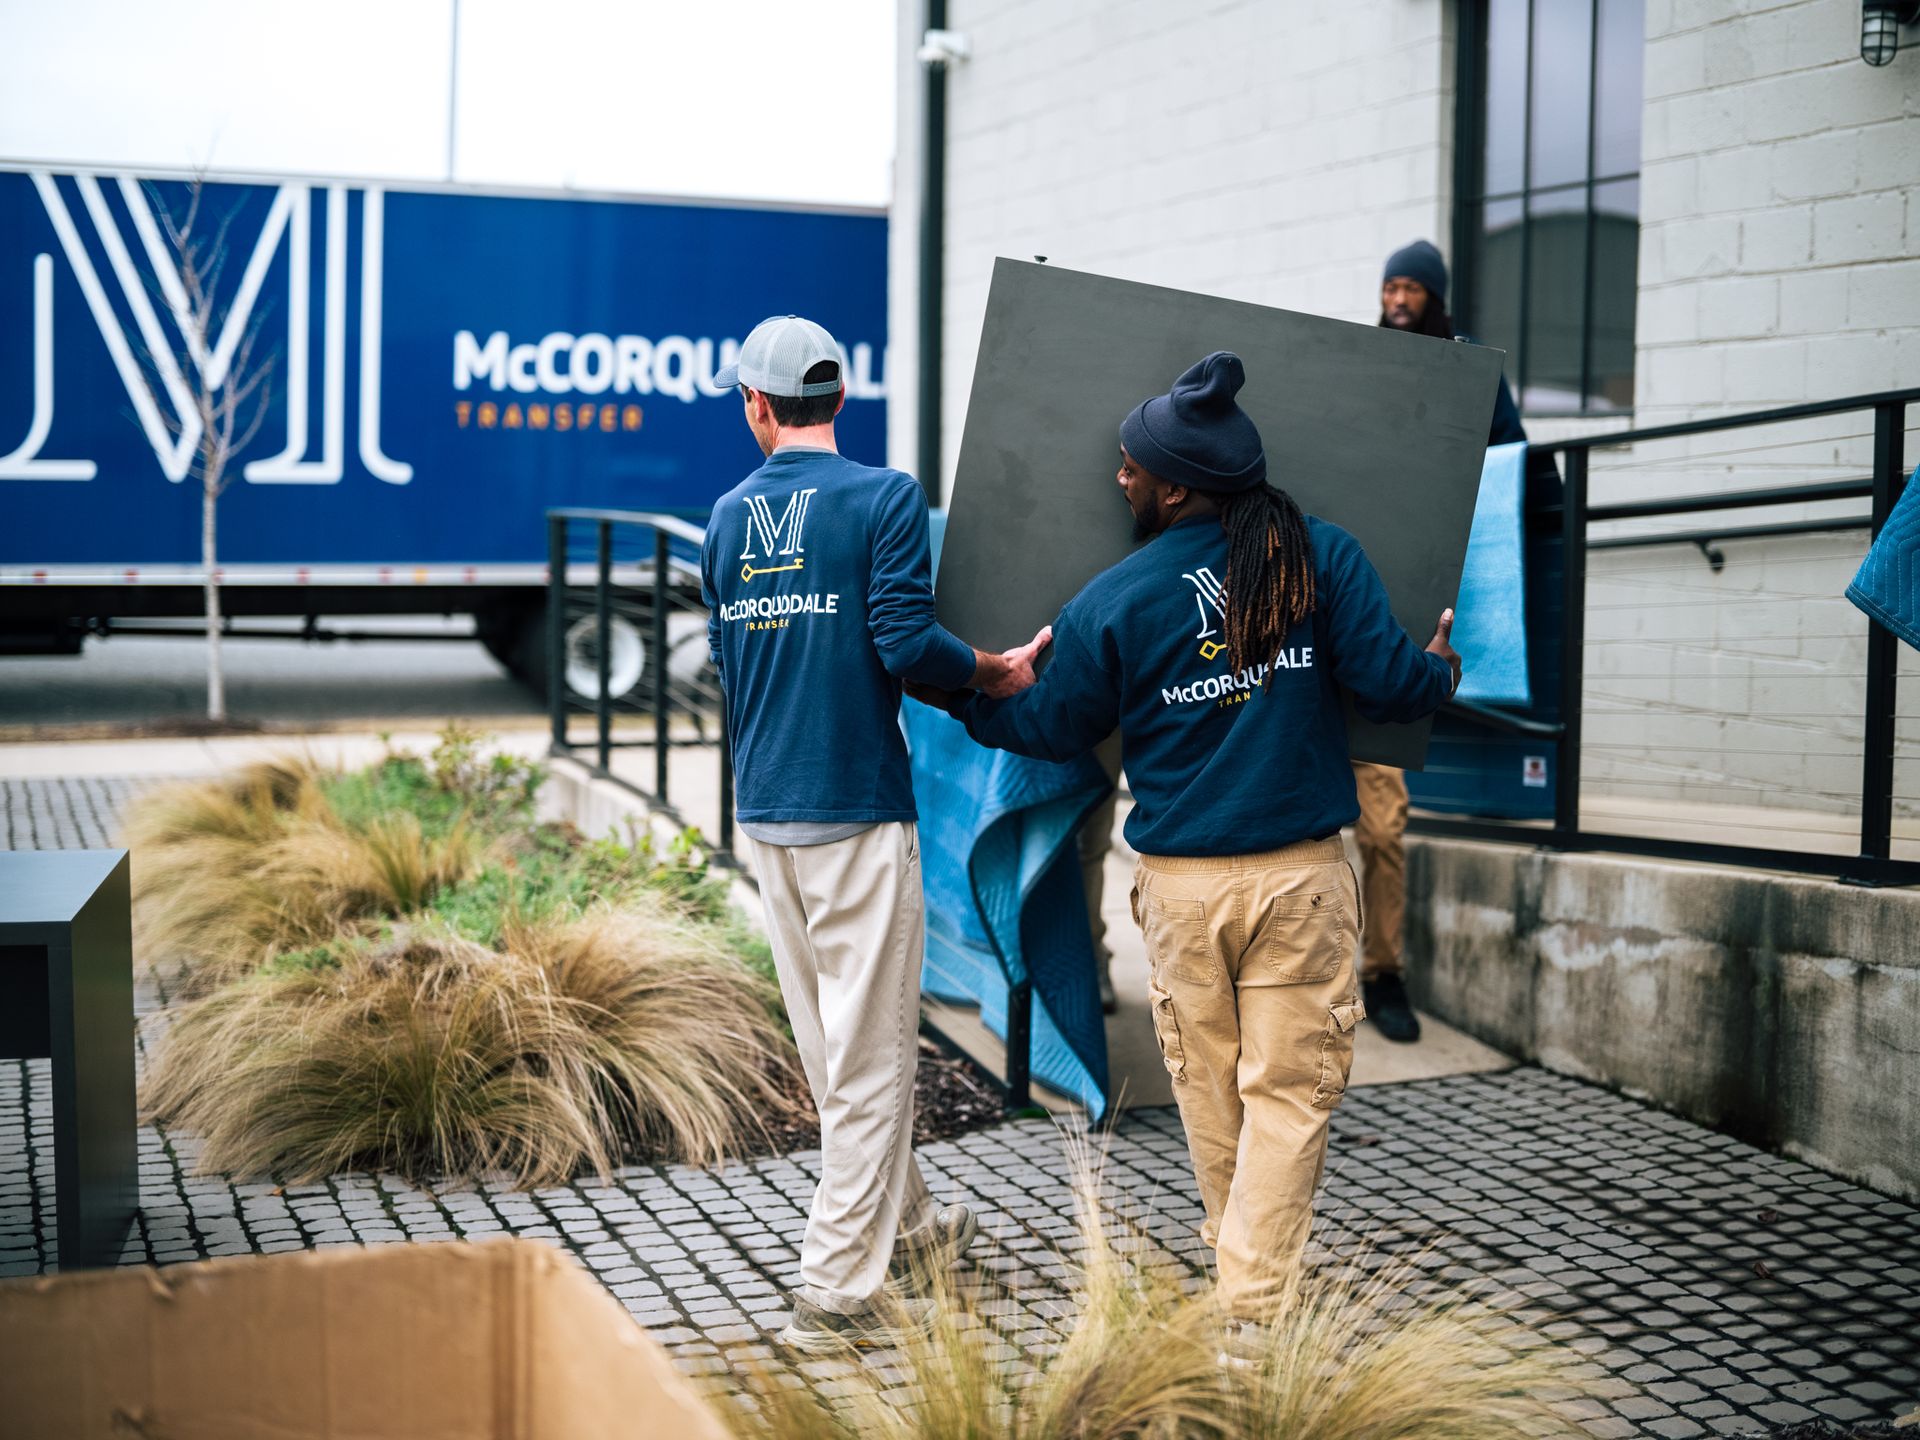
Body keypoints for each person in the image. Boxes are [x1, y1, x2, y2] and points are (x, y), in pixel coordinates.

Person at [913, 352, 1460, 1343]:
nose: (1117, 477)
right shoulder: (1319, 554)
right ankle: (1254, 1317)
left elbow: (1047, 729)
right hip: (1300, 882)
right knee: (1285, 1099)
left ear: (1175, 483)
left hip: (1182, 892)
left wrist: (977, 688)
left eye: (1130, 466)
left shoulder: (1115, 598)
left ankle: (1242, 1305)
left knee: (1214, 1093)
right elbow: (1390, 685)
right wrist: (1440, 667)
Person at [701, 314, 1048, 1353]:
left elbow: (731, 668)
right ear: (839, 403)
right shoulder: (884, 498)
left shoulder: (724, 518)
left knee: (834, 1052)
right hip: (854, 809)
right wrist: (987, 671)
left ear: (758, 408)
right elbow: (904, 643)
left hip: (765, 814)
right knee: (868, 1060)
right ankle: (833, 1287)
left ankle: (916, 1230)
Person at [1358, 239, 1538, 1042]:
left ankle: (1384, 974)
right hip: (1324, 619)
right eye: (1391, 286)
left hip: (1400, 632)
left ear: (1434, 298)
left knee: (1384, 824)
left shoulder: (1468, 371)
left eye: (1411, 289)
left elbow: (1515, 459)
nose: (1399, 299)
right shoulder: (1354, 360)